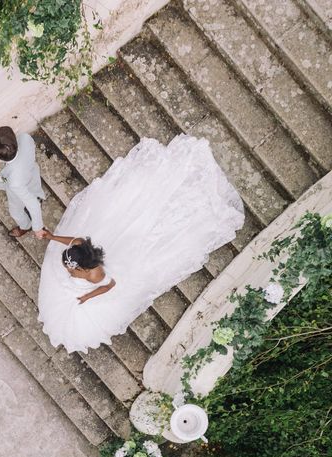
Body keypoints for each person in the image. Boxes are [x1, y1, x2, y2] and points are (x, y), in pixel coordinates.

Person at [38, 134, 245, 354]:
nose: (67, 269)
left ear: (83, 267)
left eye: (71, 266)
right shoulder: (78, 244)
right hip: (106, 251)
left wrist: (89, 296)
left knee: (147, 230)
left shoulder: (95, 275)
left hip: (109, 272)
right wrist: (51, 237)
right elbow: (70, 240)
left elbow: (109, 286)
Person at [0, 126, 47, 238]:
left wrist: (38, 228)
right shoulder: (25, 137)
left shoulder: (15, 183)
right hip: (31, 173)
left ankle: (25, 226)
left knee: (15, 211)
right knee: (33, 189)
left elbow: (33, 205)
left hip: (18, 187)